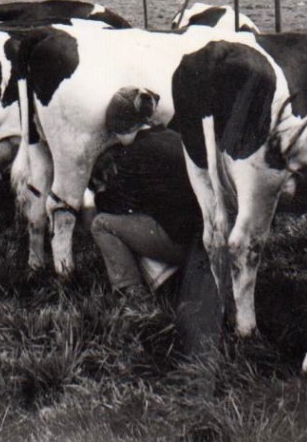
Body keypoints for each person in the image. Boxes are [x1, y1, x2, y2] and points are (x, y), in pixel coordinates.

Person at [88, 127, 223, 357]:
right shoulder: (173, 136)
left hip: (180, 242)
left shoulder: (134, 155)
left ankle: (133, 298)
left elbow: (117, 206)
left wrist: (92, 197)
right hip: (208, 238)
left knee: (102, 224)